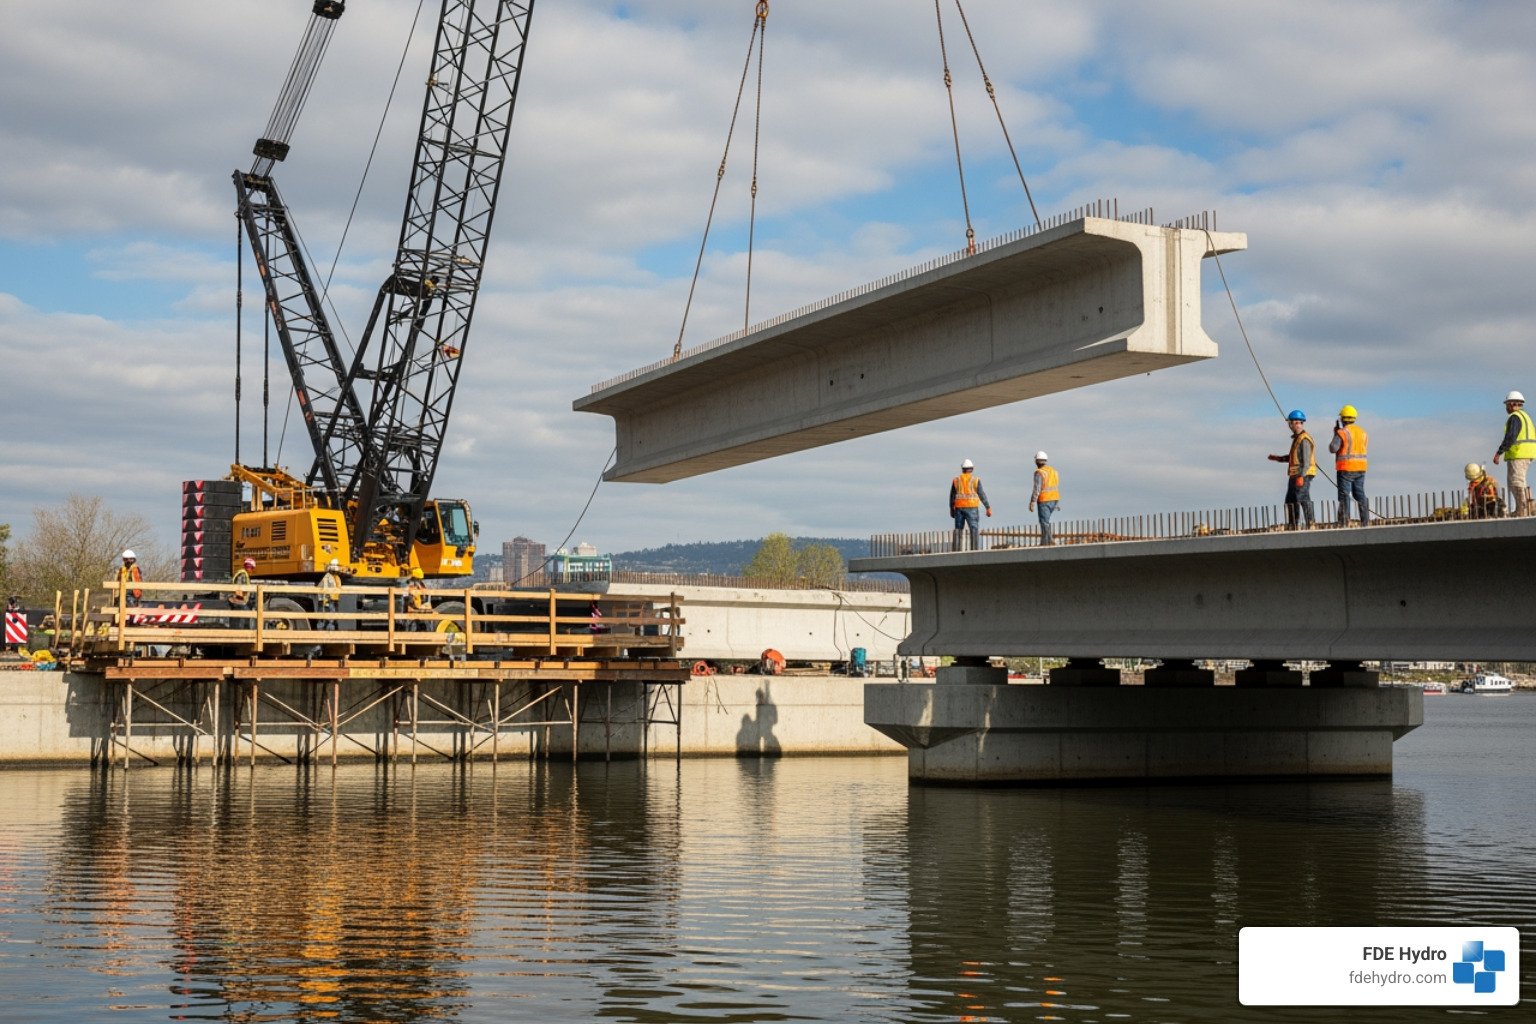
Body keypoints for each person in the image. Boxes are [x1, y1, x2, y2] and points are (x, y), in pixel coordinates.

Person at [1268, 410, 1317, 529]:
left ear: (1297, 423)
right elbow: (1294, 458)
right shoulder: (1297, 439)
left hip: (1302, 474)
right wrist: (1278, 459)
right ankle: (1292, 524)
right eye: (1291, 423)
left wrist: (1301, 476)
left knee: (1303, 498)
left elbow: (1305, 461)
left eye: (1293, 423)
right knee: (1290, 501)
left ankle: (1310, 523)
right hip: (1294, 475)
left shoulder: (1304, 439)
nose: (1292, 426)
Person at [1492, 390, 1535, 516]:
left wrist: (1499, 453)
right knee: (1519, 482)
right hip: (1526, 453)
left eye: (1507, 405)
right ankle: (1525, 508)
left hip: (1519, 454)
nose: (1506, 408)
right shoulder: (1525, 417)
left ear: (1511, 404)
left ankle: (1523, 510)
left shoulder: (1515, 417)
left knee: (1516, 482)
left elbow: (1511, 436)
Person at [1328, 404, 1369, 525]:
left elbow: (1332, 448)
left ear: (1343, 419)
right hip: (1361, 468)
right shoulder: (1363, 433)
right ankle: (1365, 521)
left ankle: (1344, 522)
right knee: (1360, 494)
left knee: (1344, 495)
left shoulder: (1342, 433)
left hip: (1346, 468)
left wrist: (1336, 433)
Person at [949, 459, 992, 551]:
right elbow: (981, 494)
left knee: (958, 530)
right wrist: (987, 507)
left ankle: (957, 550)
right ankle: (974, 550)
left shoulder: (956, 480)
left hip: (959, 508)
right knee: (974, 530)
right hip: (972, 508)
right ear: (972, 469)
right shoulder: (975, 480)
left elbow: (952, 496)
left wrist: (951, 509)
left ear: (962, 469)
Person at [1028, 451, 1060, 545]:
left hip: (1044, 499)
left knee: (1044, 522)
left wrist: (1032, 502)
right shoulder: (1052, 471)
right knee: (1046, 521)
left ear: (1036, 461)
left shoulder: (1039, 473)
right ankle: (1048, 540)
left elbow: (1037, 488)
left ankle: (1046, 542)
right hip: (1055, 499)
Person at [317, 559, 344, 631]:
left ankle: (328, 629)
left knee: (330, 616)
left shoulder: (335, 577)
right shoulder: (328, 577)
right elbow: (322, 587)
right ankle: (327, 630)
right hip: (328, 600)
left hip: (332, 599)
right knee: (328, 616)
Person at [229, 557, 255, 624]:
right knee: (243, 618)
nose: (252, 570)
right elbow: (239, 588)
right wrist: (241, 599)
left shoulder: (241, 573)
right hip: (238, 600)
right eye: (252, 568)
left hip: (238, 600)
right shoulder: (242, 575)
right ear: (249, 567)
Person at [404, 567, 430, 631]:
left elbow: (425, 595)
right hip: (413, 607)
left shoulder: (419, 585)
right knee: (411, 624)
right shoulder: (410, 585)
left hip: (418, 607)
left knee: (420, 624)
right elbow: (407, 597)